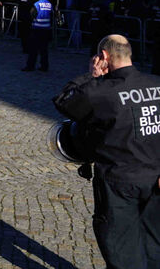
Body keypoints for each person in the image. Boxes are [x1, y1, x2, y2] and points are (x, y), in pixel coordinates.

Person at [53, 35, 160, 269]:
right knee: (154, 242)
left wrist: (91, 75)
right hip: (156, 179)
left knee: (120, 246)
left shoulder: (101, 92)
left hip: (118, 181)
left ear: (103, 56)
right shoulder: (156, 83)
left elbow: (64, 101)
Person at [23, 0, 52, 72]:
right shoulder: (49, 4)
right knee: (44, 49)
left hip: (37, 28)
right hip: (46, 28)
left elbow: (32, 15)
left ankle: (30, 66)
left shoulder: (36, 4)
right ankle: (44, 66)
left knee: (33, 49)